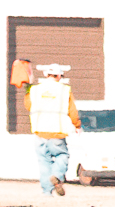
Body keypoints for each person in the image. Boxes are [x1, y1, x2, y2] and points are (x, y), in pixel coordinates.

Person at [24, 59, 80, 197]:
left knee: (44, 162)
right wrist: (77, 125)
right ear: (59, 76)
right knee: (62, 155)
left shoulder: (35, 89)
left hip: (39, 131)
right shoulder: (64, 90)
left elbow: (28, 105)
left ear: (46, 74)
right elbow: (72, 111)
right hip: (57, 132)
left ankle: (47, 192)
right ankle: (57, 175)